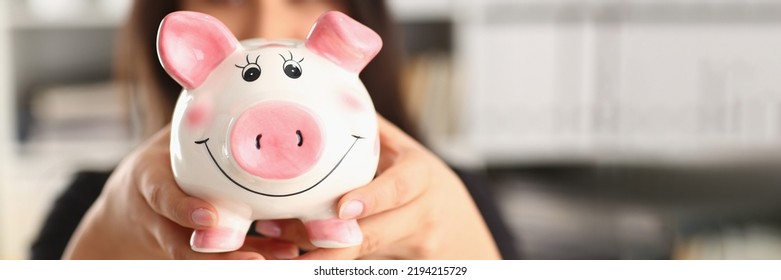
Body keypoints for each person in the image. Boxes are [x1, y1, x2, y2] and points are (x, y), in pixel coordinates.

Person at [30, 0, 519, 260]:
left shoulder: (452, 201)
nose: (266, 22)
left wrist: (463, 256)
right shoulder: (90, 207)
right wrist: (106, 250)